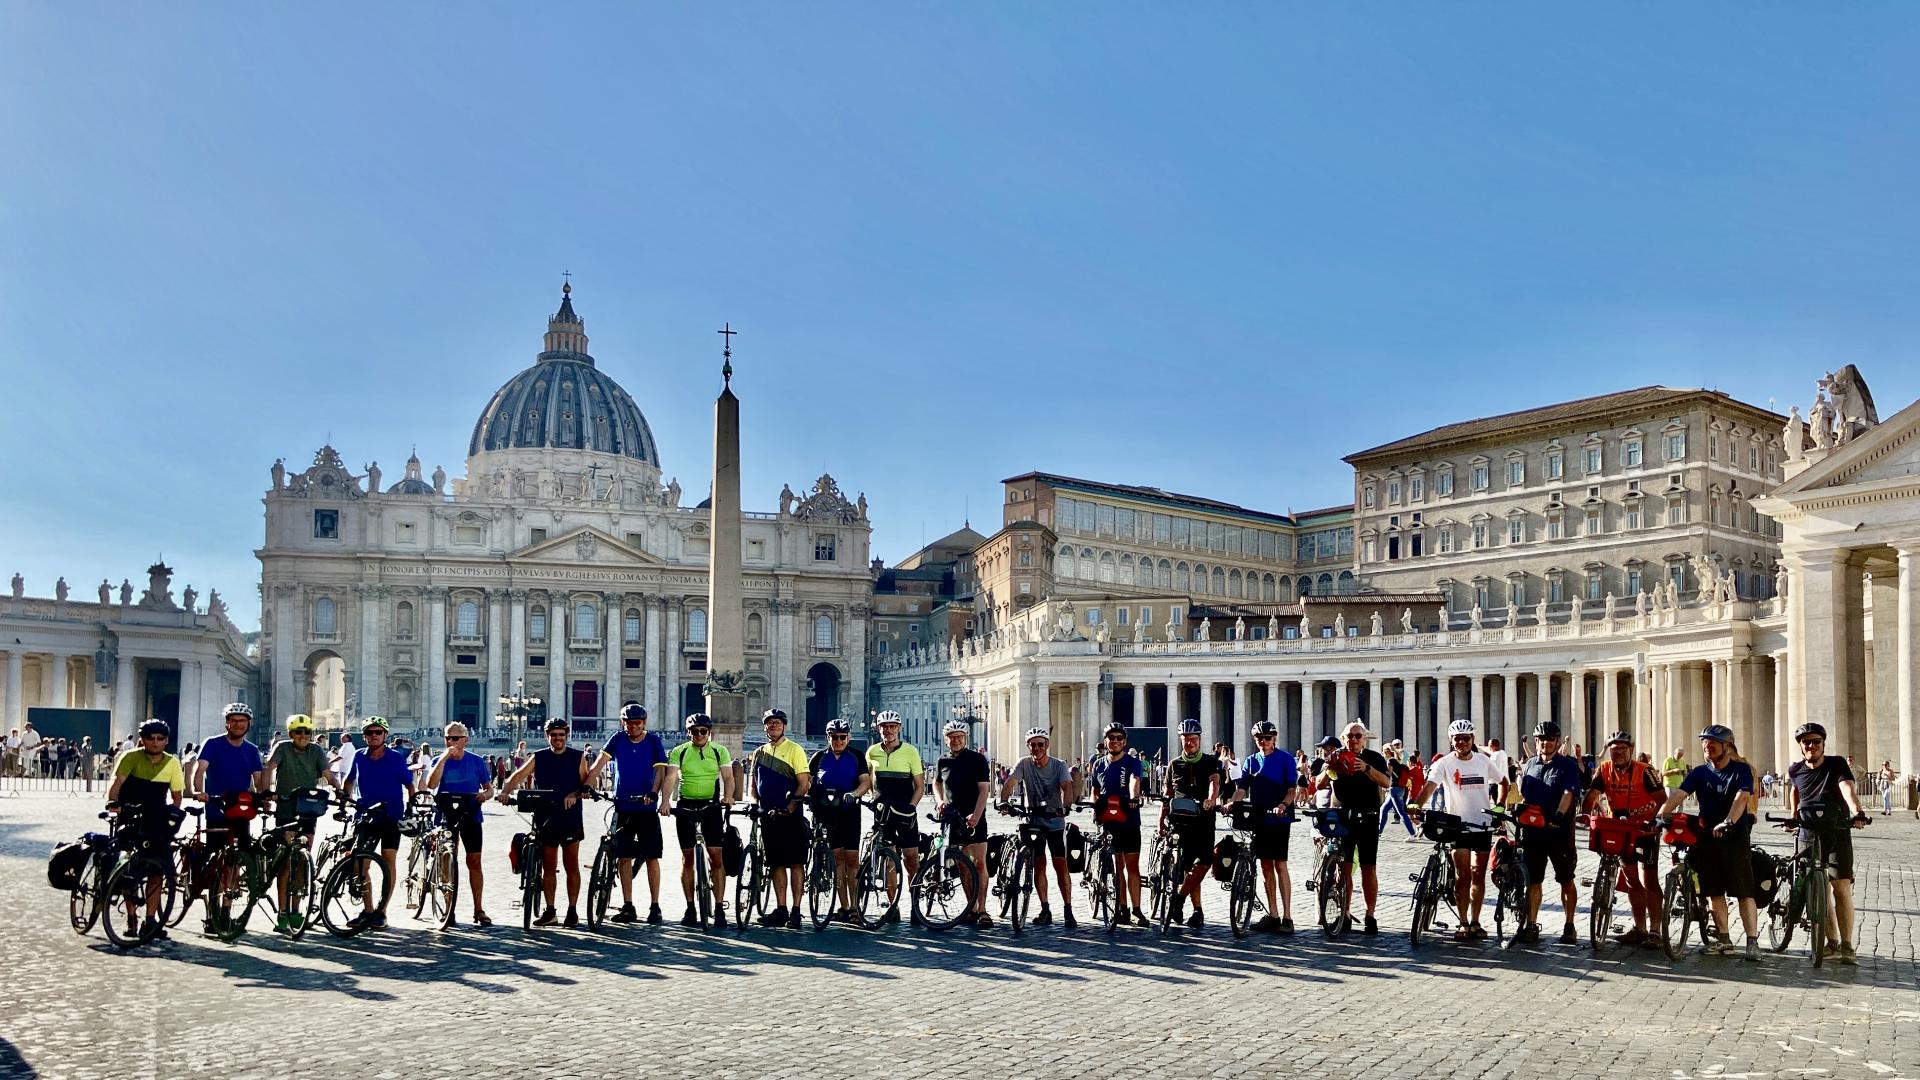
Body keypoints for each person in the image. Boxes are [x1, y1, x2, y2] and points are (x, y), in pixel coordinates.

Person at [1657, 724, 1760, 961]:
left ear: (1727, 746)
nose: (1707, 747)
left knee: (1743, 892)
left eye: (1713, 743)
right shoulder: (1699, 773)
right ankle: (1723, 939)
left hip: (1734, 836)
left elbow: (1742, 797)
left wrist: (1729, 822)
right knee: (1714, 892)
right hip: (1707, 837)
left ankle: (1752, 941)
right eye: (1705, 744)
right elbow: (1679, 795)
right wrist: (1661, 814)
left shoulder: (1740, 770)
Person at [1781, 722, 1870, 964]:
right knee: (1818, 890)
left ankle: (1848, 945)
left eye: (1815, 742)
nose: (1811, 746)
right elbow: (1795, 792)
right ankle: (1831, 943)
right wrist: (1791, 816)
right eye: (1806, 742)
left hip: (1836, 830)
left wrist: (1857, 811)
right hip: (1808, 832)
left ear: (1823, 744)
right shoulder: (1795, 769)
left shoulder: (1836, 764)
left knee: (1840, 888)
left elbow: (1847, 788)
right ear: (1800, 746)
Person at [1415, 719, 1503, 940]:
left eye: (1466, 738)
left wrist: (1500, 807)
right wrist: (1416, 804)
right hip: (1457, 826)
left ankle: (1476, 921)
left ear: (1473, 740)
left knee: (1478, 876)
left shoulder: (1484, 761)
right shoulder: (1444, 763)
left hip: (1482, 825)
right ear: (1451, 741)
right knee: (1462, 875)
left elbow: (1504, 782)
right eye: (1457, 739)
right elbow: (1430, 786)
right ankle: (1463, 922)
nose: (1462, 742)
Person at [502, 718, 591, 927]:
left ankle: (572, 910)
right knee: (549, 867)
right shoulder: (539, 757)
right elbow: (518, 775)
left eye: (561, 735)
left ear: (566, 736)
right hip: (545, 816)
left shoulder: (578, 757)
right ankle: (550, 911)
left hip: (570, 815)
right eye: (553, 735)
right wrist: (506, 791)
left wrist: (576, 794)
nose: (557, 739)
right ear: (547, 736)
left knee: (571, 866)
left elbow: (587, 782)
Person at [1580, 730, 1664, 948]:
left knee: (1650, 880)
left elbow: (1662, 800)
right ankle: (1639, 928)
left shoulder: (1645, 771)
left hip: (1645, 831)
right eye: (1613, 749)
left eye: (1622, 749)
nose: (1617, 753)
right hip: (1619, 830)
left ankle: (1655, 930)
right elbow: (1591, 795)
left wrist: (1656, 821)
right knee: (1631, 881)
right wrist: (1585, 816)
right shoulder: (1604, 770)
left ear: (1631, 750)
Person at [587, 703, 668, 925]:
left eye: (637, 723)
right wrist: (587, 785)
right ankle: (628, 905)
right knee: (623, 857)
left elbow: (661, 770)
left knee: (652, 857)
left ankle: (655, 906)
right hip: (623, 806)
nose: (633, 727)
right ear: (623, 723)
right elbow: (599, 764)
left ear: (644, 723)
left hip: (646, 807)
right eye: (629, 723)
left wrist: (654, 793)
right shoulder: (617, 739)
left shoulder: (653, 741)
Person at [262, 713, 341, 931]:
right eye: (299, 732)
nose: (303, 736)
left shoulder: (316, 750)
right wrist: (267, 792)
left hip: (308, 809)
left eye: (307, 732)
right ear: (291, 734)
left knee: (302, 859)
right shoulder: (282, 747)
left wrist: (339, 789)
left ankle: (296, 909)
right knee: (286, 862)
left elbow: (327, 773)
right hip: (286, 807)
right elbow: (270, 768)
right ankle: (282, 912)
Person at [107, 719, 187, 935]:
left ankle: (150, 920)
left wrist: (171, 814)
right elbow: (116, 785)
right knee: (129, 870)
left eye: (160, 739)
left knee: (157, 870)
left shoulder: (173, 763)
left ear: (167, 741)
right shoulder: (130, 757)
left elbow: (177, 796)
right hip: (130, 815)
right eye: (150, 738)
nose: (155, 742)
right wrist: (113, 803)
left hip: (156, 819)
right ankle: (131, 918)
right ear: (142, 740)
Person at [661, 713, 735, 927]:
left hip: (711, 807)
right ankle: (690, 906)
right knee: (687, 860)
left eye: (703, 731)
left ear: (709, 732)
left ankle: (719, 906)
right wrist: (665, 801)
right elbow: (670, 777)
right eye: (695, 732)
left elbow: (728, 778)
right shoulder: (679, 752)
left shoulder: (719, 751)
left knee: (716, 858)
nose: (699, 735)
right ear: (689, 733)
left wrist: (728, 796)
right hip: (685, 806)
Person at [341, 717, 415, 929]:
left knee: (388, 861)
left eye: (378, 732)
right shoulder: (358, 756)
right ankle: (368, 910)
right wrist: (345, 799)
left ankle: (382, 911)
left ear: (385, 735)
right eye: (370, 732)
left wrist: (411, 808)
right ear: (364, 736)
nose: (374, 736)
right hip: (366, 815)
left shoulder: (395, 758)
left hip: (391, 816)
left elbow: (409, 785)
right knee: (361, 865)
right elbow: (348, 780)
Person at [1514, 721, 1584, 946]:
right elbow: (1525, 795)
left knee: (1566, 879)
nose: (1545, 743)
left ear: (1556, 741)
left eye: (1550, 739)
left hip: (1559, 832)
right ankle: (1532, 925)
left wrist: (1559, 815)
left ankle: (1569, 925)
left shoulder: (1567, 766)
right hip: (1534, 833)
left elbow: (1568, 793)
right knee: (1533, 881)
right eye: (1541, 739)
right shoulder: (1531, 765)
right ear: (1536, 742)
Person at [1001, 727, 1076, 928]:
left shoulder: (1059, 765)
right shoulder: (1024, 764)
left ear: (1047, 745)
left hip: (1054, 821)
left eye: (1040, 744)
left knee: (1060, 865)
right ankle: (1045, 908)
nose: (1036, 748)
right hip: (1033, 820)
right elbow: (1010, 783)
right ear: (1028, 746)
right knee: (1039, 865)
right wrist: (1004, 802)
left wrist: (1066, 806)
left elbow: (1067, 786)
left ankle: (1068, 909)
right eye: (1032, 745)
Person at [425, 721, 496, 927]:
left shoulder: (476, 762)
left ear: (465, 740)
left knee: (474, 862)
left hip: (471, 815)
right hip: (445, 816)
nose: (451, 742)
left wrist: (485, 795)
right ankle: (449, 908)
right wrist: (444, 758)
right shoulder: (440, 760)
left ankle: (478, 909)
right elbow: (431, 784)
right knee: (448, 860)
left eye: (455, 738)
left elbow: (490, 788)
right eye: (447, 738)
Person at [747, 709, 811, 929]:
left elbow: (804, 783)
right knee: (775, 862)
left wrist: (791, 807)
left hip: (791, 815)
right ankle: (781, 908)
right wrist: (754, 804)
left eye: (777, 723)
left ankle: (796, 910)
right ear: (765, 727)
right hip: (768, 815)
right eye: (769, 723)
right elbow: (753, 785)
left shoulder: (796, 750)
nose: (773, 726)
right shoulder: (759, 753)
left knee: (795, 862)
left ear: (784, 726)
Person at [1328, 721, 1392, 933]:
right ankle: (1345, 913)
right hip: (1344, 816)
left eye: (1358, 736)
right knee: (1344, 869)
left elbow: (1386, 782)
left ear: (1364, 739)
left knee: (1368, 868)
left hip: (1369, 817)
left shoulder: (1374, 758)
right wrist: (1329, 769)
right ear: (1343, 738)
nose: (1353, 739)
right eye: (1349, 736)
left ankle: (1370, 914)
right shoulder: (1334, 756)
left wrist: (1366, 769)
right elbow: (1318, 782)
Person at [809, 718, 872, 923]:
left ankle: (855, 907)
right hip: (827, 815)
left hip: (849, 812)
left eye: (842, 737)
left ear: (848, 738)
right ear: (828, 738)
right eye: (834, 737)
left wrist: (854, 794)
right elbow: (808, 781)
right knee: (836, 861)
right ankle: (843, 906)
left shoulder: (857, 757)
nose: (838, 741)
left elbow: (865, 782)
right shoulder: (818, 758)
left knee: (852, 859)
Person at [1238, 720, 1298, 933]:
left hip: (1280, 818)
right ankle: (1273, 914)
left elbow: (1292, 789)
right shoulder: (1251, 761)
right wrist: (1231, 803)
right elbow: (1242, 787)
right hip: (1260, 818)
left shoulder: (1286, 759)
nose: (1263, 742)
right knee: (1265, 866)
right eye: (1259, 739)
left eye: (1267, 738)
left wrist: (1283, 804)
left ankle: (1287, 917)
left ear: (1274, 739)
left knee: (1280, 865)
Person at [865, 710, 923, 924]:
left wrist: (911, 807)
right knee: (889, 861)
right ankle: (892, 906)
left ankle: (916, 906)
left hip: (905, 813)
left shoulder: (910, 752)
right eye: (884, 727)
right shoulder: (871, 752)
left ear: (899, 728)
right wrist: (872, 797)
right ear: (878, 729)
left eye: (892, 726)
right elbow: (868, 779)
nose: (888, 730)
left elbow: (919, 785)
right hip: (883, 814)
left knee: (911, 860)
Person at [1164, 718, 1223, 928]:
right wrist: (1161, 820)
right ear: (1180, 740)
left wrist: (1211, 800)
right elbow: (1167, 794)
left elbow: (1214, 782)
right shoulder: (1174, 764)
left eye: (1193, 739)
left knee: (1204, 863)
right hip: (1180, 822)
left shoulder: (1210, 762)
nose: (1189, 743)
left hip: (1204, 819)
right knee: (1188, 866)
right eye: (1185, 740)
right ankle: (1197, 911)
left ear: (1199, 740)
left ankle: (1178, 900)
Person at [933, 719, 993, 927]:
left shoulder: (977, 759)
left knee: (979, 863)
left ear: (965, 738)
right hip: (953, 818)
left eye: (959, 737)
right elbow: (936, 783)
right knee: (962, 865)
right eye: (951, 737)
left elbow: (984, 790)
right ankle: (971, 907)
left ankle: (983, 908)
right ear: (946, 740)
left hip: (974, 816)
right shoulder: (943, 760)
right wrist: (940, 801)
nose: (955, 740)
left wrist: (976, 814)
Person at [191, 704, 266, 867]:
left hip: (241, 806)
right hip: (216, 806)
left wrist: (263, 796)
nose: (238, 724)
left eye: (243, 721)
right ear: (227, 723)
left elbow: (258, 779)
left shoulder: (252, 750)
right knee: (214, 854)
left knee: (242, 853)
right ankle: (211, 888)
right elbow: (199, 771)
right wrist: (199, 792)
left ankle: (232, 888)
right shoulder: (212, 743)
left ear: (249, 724)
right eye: (234, 720)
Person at [1089, 723, 1146, 925]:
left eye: (1119, 738)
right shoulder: (1098, 764)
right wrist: (1094, 807)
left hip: (1129, 818)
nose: (1115, 741)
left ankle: (1137, 909)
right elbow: (1095, 790)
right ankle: (1122, 907)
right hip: (1109, 819)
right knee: (1117, 865)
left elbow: (1134, 779)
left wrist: (1133, 796)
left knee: (1132, 866)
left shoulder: (1132, 762)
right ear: (1105, 741)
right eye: (1111, 738)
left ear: (1125, 741)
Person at [1379, 743, 1415, 838]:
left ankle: (1412, 834)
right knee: (1383, 809)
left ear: (1387, 752)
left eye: (1383, 751)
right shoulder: (1397, 760)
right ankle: (1379, 831)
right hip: (1400, 789)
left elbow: (1389, 774)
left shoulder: (1390, 761)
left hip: (1394, 789)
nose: (1382, 752)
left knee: (1401, 812)